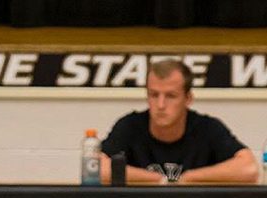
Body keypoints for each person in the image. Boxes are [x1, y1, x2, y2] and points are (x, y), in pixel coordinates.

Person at [100, 58, 258, 185]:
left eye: (170, 96)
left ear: (188, 99)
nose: (161, 105)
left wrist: (189, 178)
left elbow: (249, 169)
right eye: (154, 95)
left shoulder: (207, 128)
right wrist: (158, 180)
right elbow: (97, 169)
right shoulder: (130, 126)